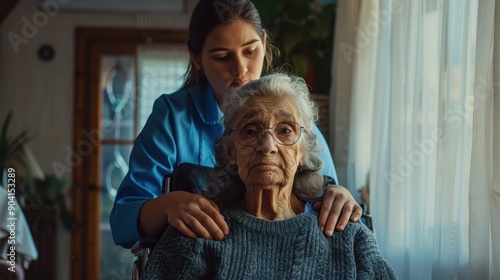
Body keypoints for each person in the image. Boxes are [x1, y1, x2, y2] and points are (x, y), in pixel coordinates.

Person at [110, 0, 362, 249]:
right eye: (222, 56)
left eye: (250, 51)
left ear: (264, 44)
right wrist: (167, 206)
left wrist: (339, 196)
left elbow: (326, 188)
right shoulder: (172, 118)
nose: (240, 68)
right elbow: (122, 222)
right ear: (196, 58)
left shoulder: (294, 120)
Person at [141, 73, 396, 279]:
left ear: (303, 150)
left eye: (285, 130)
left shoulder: (348, 237)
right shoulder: (199, 232)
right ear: (231, 151)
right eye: (250, 131)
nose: (267, 145)